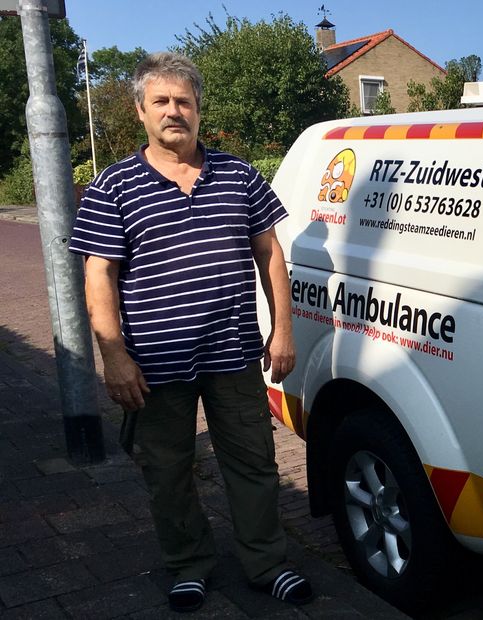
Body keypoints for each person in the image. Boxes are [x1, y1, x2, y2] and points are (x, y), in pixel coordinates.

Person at [68, 52, 311, 613]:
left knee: (253, 463)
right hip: (154, 361)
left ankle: (267, 561)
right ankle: (188, 564)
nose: (174, 111)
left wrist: (283, 331)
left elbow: (271, 255)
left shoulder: (239, 174)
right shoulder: (113, 186)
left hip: (233, 352)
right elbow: (98, 274)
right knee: (168, 469)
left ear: (199, 109)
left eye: (184, 101)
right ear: (140, 111)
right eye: (161, 101)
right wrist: (114, 356)